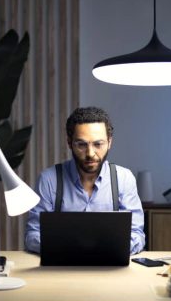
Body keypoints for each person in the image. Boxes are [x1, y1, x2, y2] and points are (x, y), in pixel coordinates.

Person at [25, 107, 145, 255]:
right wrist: (70, 251)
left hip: (110, 269)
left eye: (98, 144)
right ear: (70, 143)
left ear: (109, 142)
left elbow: (136, 234)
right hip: (62, 269)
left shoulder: (124, 179)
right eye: (81, 144)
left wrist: (105, 251)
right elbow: (33, 234)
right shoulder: (49, 180)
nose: (90, 153)